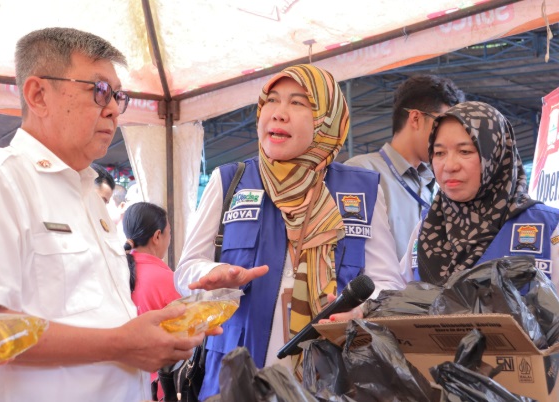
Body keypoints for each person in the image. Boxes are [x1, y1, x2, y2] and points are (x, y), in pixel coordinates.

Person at [0, 27, 217, 402]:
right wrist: (118, 344)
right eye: (98, 91)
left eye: (117, 95)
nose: (112, 108)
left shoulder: (91, 193)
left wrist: (160, 325)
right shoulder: (1, 180)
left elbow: (96, 311)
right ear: (38, 94)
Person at [176, 64, 405, 400]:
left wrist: (361, 311)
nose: (279, 114)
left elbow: (389, 287)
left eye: (298, 103)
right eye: (271, 101)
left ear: (327, 118)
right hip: (236, 379)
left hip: (333, 383)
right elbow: (186, 270)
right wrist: (215, 273)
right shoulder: (230, 181)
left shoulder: (363, 190)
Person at [400, 101, 559, 289]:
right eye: (439, 152)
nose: (449, 166)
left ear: (496, 155)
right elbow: (398, 295)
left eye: (465, 151)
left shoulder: (547, 227)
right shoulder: (426, 228)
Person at [346, 75, 465, 259]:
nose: (447, 135)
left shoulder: (433, 184)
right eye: (442, 124)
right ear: (416, 118)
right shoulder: (362, 173)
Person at [123, 201, 181, 310]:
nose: (170, 238)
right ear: (157, 236)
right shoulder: (166, 280)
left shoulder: (117, 269)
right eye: (169, 232)